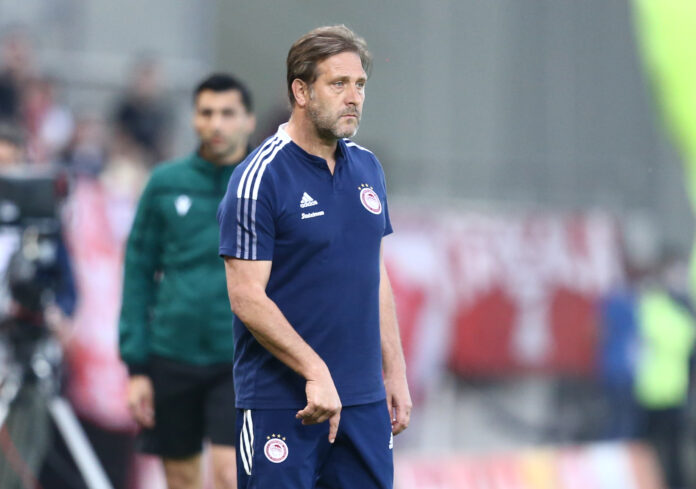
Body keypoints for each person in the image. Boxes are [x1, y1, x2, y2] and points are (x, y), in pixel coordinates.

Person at [217, 25, 412, 489]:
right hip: (284, 402)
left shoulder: (368, 168)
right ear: (301, 91)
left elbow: (374, 273)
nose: (353, 97)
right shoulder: (259, 178)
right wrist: (314, 370)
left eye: (360, 84)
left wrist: (395, 371)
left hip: (363, 402)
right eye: (338, 83)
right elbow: (246, 297)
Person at [119, 73, 255, 489]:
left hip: (241, 356)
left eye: (227, 113)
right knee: (180, 478)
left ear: (248, 120)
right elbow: (138, 270)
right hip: (172, 353)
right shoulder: (165, 183)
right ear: (194, 118)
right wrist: (136, 366)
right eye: (206, 113)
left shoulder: (266, 182)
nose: (216, 124)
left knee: (231, 474)